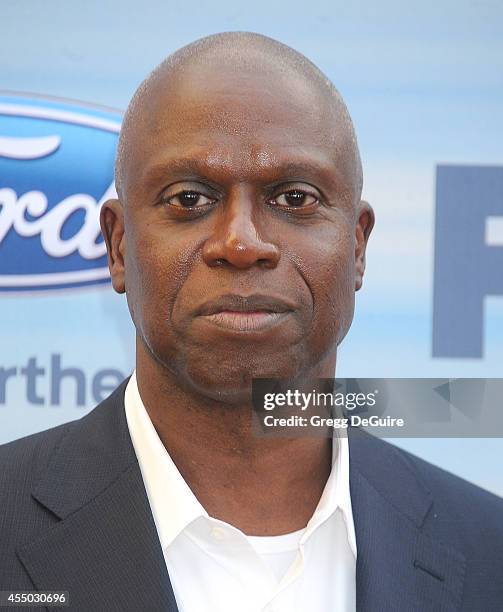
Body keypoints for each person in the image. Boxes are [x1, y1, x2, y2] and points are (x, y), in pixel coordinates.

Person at [1, 31, 502, 612]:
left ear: (358, 248)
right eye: (189, 199)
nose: (241, 244)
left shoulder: (486, 553)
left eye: (294, 198)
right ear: (118, 246)